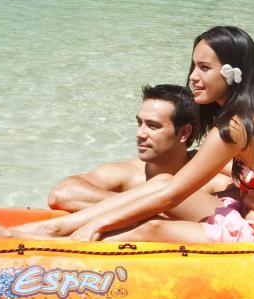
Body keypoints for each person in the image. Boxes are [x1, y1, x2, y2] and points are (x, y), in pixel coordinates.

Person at [0, 25, 254, 244]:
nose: (193, 76)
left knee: (152, 221)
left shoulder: (234, 128)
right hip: (247, 221)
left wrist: (100, 223)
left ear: (233, 74)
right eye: (194, 65)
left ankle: (52, 236)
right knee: (162, 183)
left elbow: (173, 197)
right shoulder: (249, 119)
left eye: (205, 68)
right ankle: (52, 229)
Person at [42, 84, 230, 221]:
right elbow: (60, 194)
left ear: (184, 133)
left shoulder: (212, 181)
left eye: (153, 126)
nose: (140, 134)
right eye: (140, 123)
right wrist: (149, 206)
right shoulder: (127, 174)